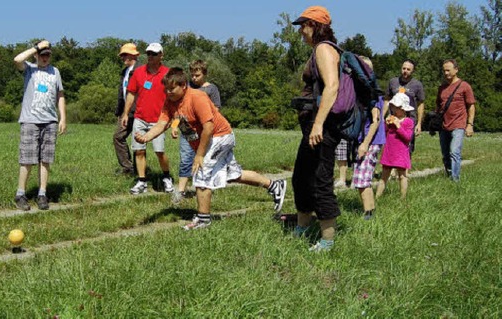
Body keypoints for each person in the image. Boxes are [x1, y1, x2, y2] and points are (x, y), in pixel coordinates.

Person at [135, 68, 286, 230]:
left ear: (183, 85)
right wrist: (146, 137)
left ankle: (203, 219)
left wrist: (199, 156)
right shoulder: (170, 101)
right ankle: (274, 185)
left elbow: (209, 127)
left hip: (220, 136)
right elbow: (162, 123)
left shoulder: (197, 97)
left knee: (202, 173)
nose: (168, 92)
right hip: (210, 139)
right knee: (232, 174)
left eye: (172, 88)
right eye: (166, 89)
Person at [290, 5, 343, 252]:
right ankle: (302, 228)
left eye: (304, 25)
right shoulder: (318, 50)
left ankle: (327, 240)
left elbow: (332, 87)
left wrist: (319, 123)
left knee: (320, 179)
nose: (301, 30)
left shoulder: (323, 49)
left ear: (316, 25)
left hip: (322, 126)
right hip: (314, 126)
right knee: (302, 177)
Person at [13, 40, 67, 210]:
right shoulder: (29, 68)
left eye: (48, 55)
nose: (45, 58)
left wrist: (62, 118)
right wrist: (36, 47)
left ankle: (42, 194)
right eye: (42, 55)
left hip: (49, 121)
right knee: (27, 159)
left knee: (46, 159)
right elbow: (16, 60)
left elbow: (60, 95)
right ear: (36, 55)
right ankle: (20, 194)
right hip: (30, 120)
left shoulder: (55, 71)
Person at [120, 42, 173, 194]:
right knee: (139, 150)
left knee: (159, 151)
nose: (150, 56)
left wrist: (171, 119)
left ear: (161, 55)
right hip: (140, 118)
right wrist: (125, 113)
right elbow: (131, 93)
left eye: (154, 54)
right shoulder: (139, 72)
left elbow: (174, 97)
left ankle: (166, 177)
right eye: (148, 53)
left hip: (159, 120)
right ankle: (141, 181)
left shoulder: (167, 73)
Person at [171, 60, 222, 205]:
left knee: (205, 160)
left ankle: (205, 189)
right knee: (186, 158)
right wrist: (174, 126)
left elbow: (215, 111)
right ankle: (181, 190)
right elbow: (178, 111)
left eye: (197, 75)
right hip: (187, 130)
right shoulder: (185, 89)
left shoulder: (211, 89)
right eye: (192, 75)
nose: (194, 78)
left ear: (204, 74)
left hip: (205, 131)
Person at [351, 57, 387, 220]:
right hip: (363, 140)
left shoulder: (372, 93)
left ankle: (369, 213)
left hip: (370, 141)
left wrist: (365, 144)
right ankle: (369, 210)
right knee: (361, 177)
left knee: (362, 178)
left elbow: (376, 121)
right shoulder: (360, 91)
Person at [435, 59, 476, 181]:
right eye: (444, 70)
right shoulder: (442, 88)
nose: (446, 73)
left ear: (456, 70)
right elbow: (438, 105)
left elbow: (471, 106)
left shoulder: (464, 86)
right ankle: (449, 176)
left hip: (458, 124)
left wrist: (470, 124)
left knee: (454, 152)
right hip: (443, 126)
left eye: (448, 70)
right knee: (446, 155)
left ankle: (455, 180)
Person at [376, 93, 414, 199]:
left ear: (403, 109)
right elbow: (385, 133)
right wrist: (386, 125)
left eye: (396, 107)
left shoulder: (408, 122)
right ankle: (377, 196)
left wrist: (398, 126)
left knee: (402, 175)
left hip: (401, 152)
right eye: (393, 107)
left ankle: (403, 197)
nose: (394, 109)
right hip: (389, 151)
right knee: (384, 176)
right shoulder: (391, 118)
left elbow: (407, 137)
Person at [385, 59, 425, 154]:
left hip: (409, 120)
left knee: (407, 147)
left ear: (412, 71)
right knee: (392, 145)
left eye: (408, 69)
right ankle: (392, 167)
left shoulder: (417, 85)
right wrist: (383, 115)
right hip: (393, 119)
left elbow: (420, 104)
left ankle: (404, 167)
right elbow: (386, 99)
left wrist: (419, 123)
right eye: (404, 68)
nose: (405, 71)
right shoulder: (393, 82)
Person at [113, 43, 140, 175]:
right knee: (118, 137)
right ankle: (128, 167)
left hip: (138, 112)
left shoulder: (140, 70)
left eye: (125, 55)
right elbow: (122, 93)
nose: (122, 58)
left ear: (133, 55)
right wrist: (120, 111)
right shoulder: (124, 72)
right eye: (122, 55)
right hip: (125, 112)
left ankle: (139, 171)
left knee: (138, 141)